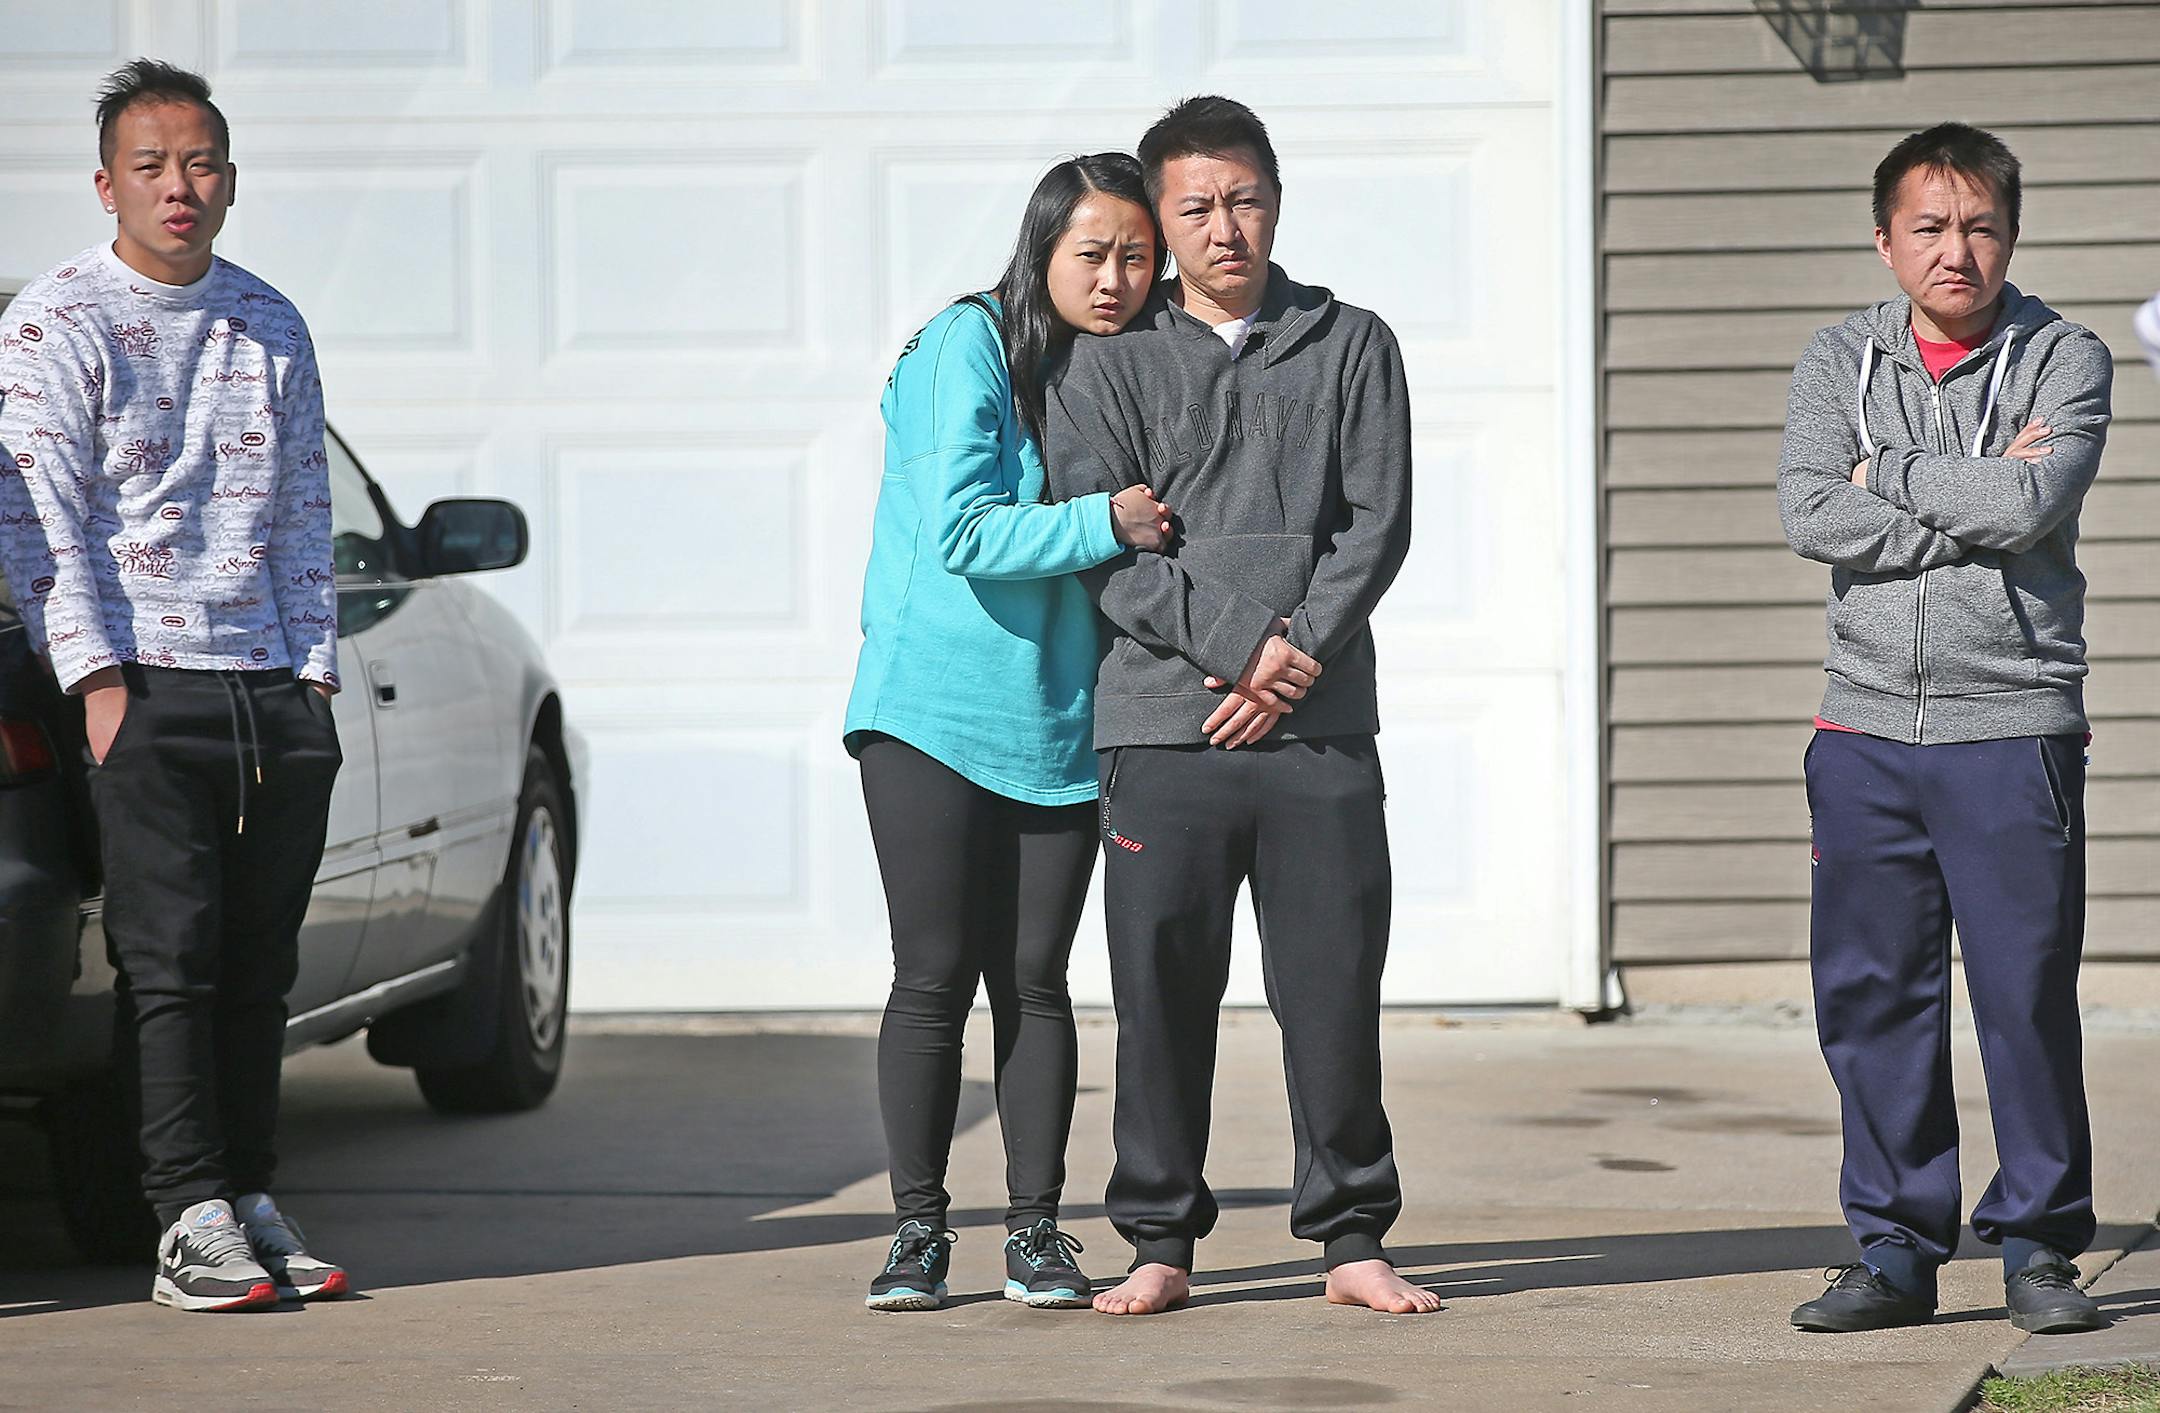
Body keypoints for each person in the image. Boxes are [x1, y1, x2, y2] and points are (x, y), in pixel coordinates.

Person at [1043, 96, 1433, 1317]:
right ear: (1160, 222)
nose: (1227, 227)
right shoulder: (1102, 360)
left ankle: (1351, 1238)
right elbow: (1101, 548)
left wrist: (1295, 660)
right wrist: (1241, 649)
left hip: (1318, 730)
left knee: (1331, 990)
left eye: (1245, 200)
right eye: (1197, 207)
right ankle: (1159, 1240)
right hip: (1163, 729)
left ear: (1276, 202)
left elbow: (1377, 525)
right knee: (1160, 998)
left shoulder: (1351, 342)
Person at [0, 59, 345, 1312]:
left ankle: (250, 1194)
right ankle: (186, 1214)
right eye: (151, 166)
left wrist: (312, 676)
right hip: (146, 688)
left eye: (199, 164)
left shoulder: (271, 322)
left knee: (261, 968)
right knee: (171, 965)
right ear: (107, 184)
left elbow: (306, 515)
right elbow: (39, 519)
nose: (178, 187)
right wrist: (97, 684)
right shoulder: (55, 323)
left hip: (274, 693)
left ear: (231, 181)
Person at [1778, 123, 2112, 1335]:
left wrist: (1883, 477)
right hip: (1862, 728)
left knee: (2023, 997)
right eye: (1929, 225)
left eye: (1978, 225)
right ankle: (1895, 1251)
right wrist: (1942, 495)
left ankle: (2038, 1248)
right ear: (1886, 239)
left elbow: (2032, 499)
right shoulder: (1836, 359)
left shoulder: (2063, 359)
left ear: (2009, 236)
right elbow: (1808, 511)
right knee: (1872, 998)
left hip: (2011, 726)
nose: (1954, 249)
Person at [842, 153, 1171, 1312]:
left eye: (1138, 254)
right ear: (1041, 250)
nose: (1117, 276)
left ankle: (1037, 1231)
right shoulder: (965, 345)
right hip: (930, 709)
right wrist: (1108, 519)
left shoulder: (1121, 366)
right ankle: (919, 1234)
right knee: (933, 975)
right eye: (1093, 252)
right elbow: (963, 533)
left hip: (1058, 720)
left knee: (1036, 979)